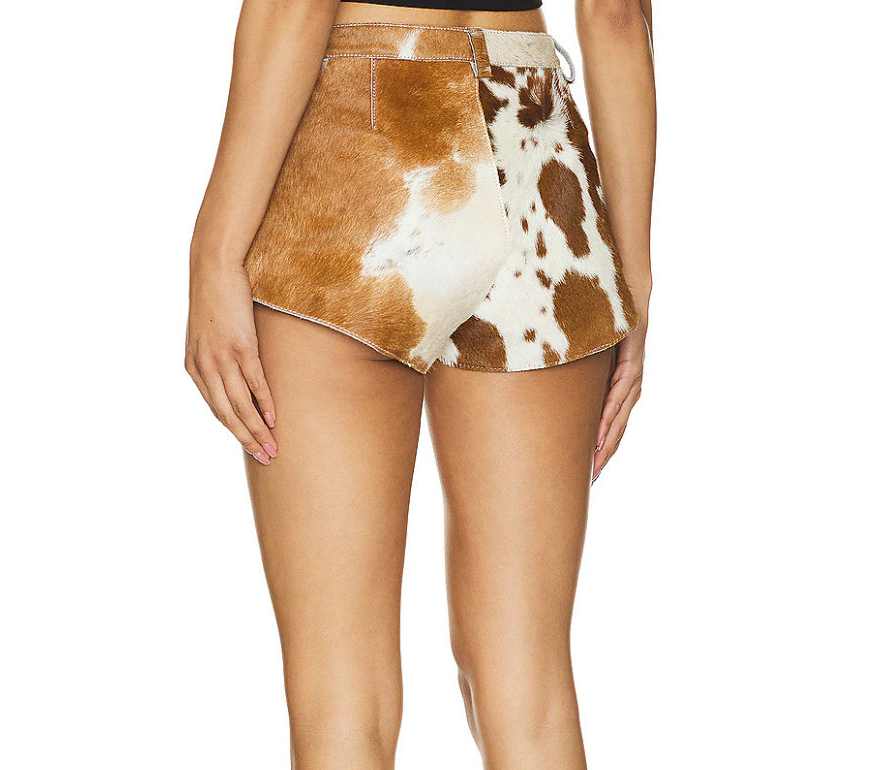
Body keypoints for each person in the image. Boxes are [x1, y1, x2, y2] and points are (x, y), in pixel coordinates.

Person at [185, 0, 655, 766]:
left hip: (366, 146)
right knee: (530, 694)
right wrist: (630, 281)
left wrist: (214, 250)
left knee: (343, 696)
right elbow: (615, 17)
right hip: (536, 152)